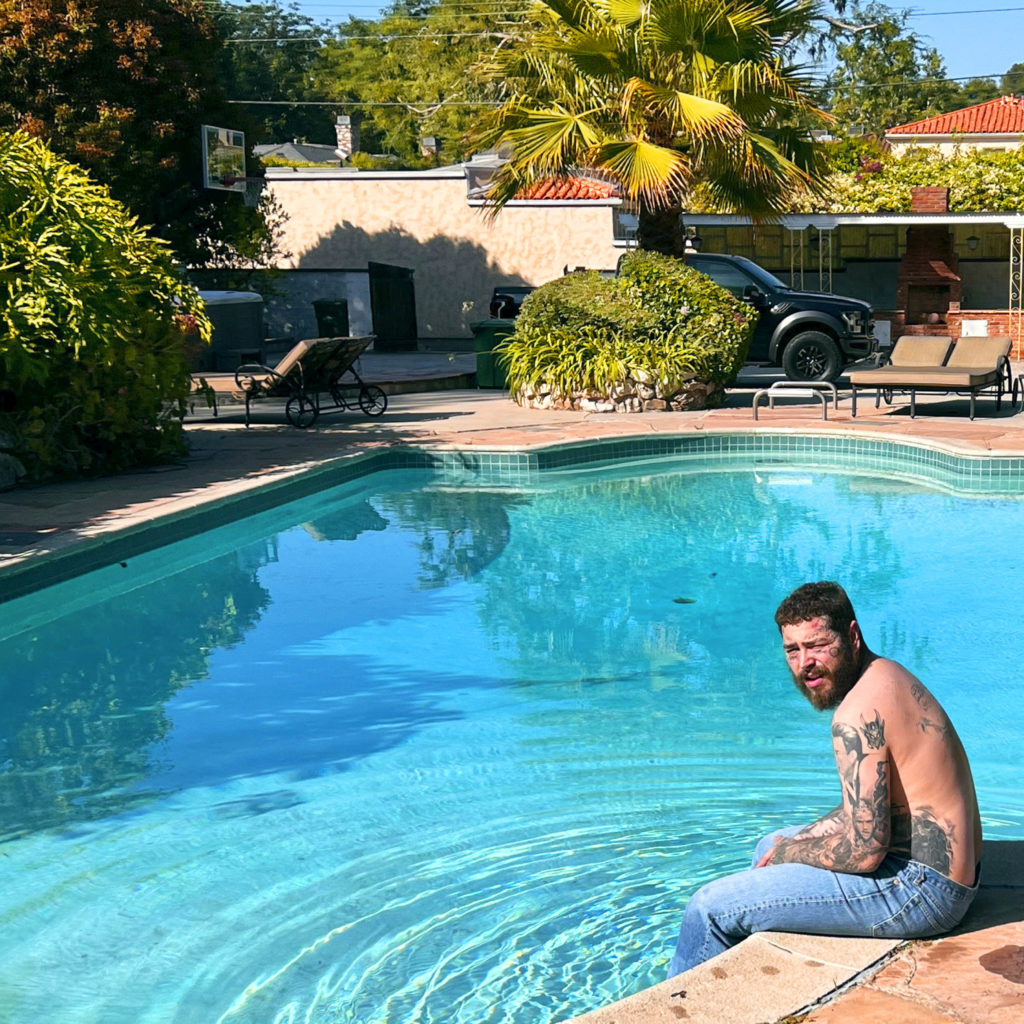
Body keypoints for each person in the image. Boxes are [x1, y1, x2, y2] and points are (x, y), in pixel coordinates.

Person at [667, 581, 982, 977]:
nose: (804, 664)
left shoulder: (856, 713)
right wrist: (794, 842)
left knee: (708, 909)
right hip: (947, 876)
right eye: (792, 650)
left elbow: (865, 852)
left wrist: (790, 854)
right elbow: (869, 806)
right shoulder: (887, 674)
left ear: (851, 635)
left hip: (921, 892)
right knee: (769, 843)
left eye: (816, 646)